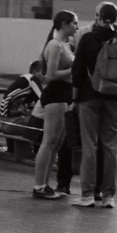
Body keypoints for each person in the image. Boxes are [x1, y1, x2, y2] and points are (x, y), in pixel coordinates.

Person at [70, 1, 117, 209]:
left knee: (90, 146)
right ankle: (108, 196)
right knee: (110, 147)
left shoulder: (88, 39)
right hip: (115, 99)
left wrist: (75, 98)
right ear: (116, 19)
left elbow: (78, 73)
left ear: (97, 17)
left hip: (90, 97)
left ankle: (87, 194)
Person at [30, 10, 78, 200]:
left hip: (64, 94)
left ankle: (45, 185)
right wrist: (72, 69)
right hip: (56, 94)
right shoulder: (55, 45)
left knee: (56, 144)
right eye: (74, 23)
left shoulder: (66, 45)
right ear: (64, 24)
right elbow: (50, 76)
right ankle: (39, 186)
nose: (76, 27)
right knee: (49, 141)